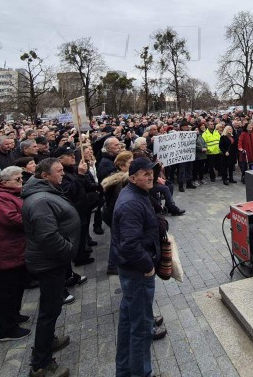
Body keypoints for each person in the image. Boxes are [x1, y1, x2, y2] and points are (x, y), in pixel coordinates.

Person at [21, 158, 80, 377]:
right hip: (50, 262)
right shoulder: (40, 201)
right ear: (45, 176)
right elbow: (47, 236)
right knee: (49, 309)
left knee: (52, 307)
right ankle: (41, 363)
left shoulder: (47, 192)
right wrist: (68, 250)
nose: (63, 174)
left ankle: (48, 341)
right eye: (59, 171)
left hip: (53, 261)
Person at [113, 157, 162, 377]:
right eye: (145, 173)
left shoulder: (135, 195)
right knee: (141, 328)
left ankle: (124, 371)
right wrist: (148, 266)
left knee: (128, 324)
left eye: (151, 172)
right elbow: (130, 245)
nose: (150, 176)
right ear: (133, 178)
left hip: (131, 272)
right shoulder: (132, 202)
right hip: (137, 273)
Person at [0, 166, 30, 342]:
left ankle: (14, 316)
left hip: (16, 250)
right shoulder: (0, 198)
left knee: (17, 287)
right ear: (4, 182)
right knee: (7, 292)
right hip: (5, 252)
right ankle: (8, 328)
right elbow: (12, 219)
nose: (21, 181)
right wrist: (33, 216)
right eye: (17, 179)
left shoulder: (13, 195)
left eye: (21, 178)